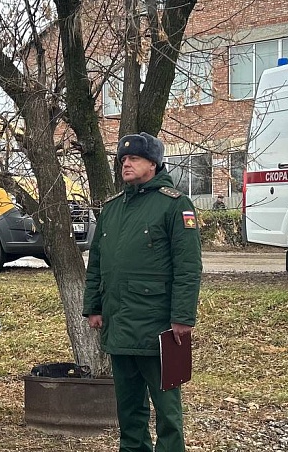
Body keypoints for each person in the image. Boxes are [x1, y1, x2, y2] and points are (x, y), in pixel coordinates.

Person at [82, 132, 202, 452]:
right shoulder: (111, 209)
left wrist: (182, 318)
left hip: (159, 328)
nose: (126, 164)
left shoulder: (175, 204)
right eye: (123, 159)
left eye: (134, 158)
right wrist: (94, 307)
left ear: (153, 163)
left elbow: (188, 267)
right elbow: (97, 263)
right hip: (119, 324)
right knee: (129, 410)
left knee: (168, 413)